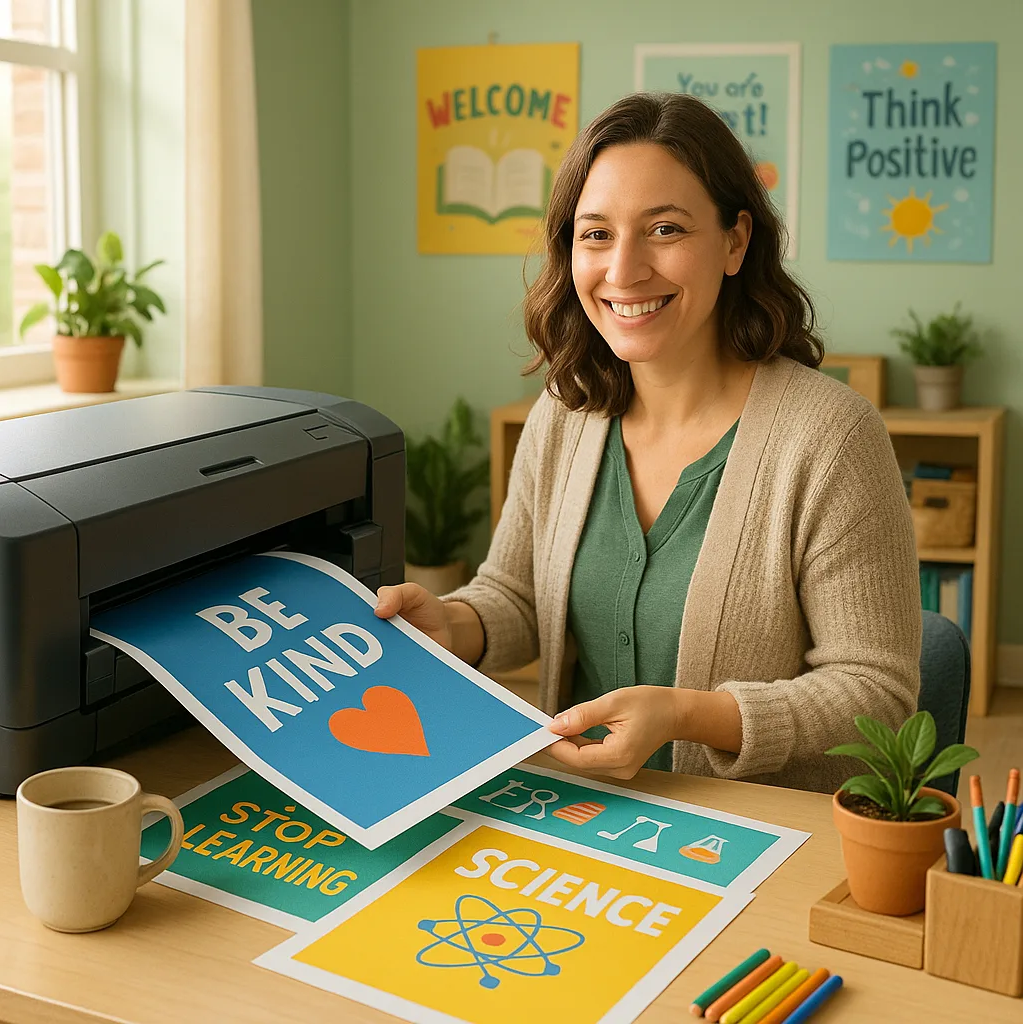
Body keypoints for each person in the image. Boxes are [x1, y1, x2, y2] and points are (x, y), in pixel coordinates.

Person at [375, 92, 921, 794]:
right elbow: (518, 595)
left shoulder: (831, 437)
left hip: (763, 837)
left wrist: (689, 716)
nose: (624, 270)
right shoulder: (561, 414)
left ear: (735, 241)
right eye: (596, 234)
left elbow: (877, 693)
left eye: (664, 229)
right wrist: (456, 624)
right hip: (584, 817)